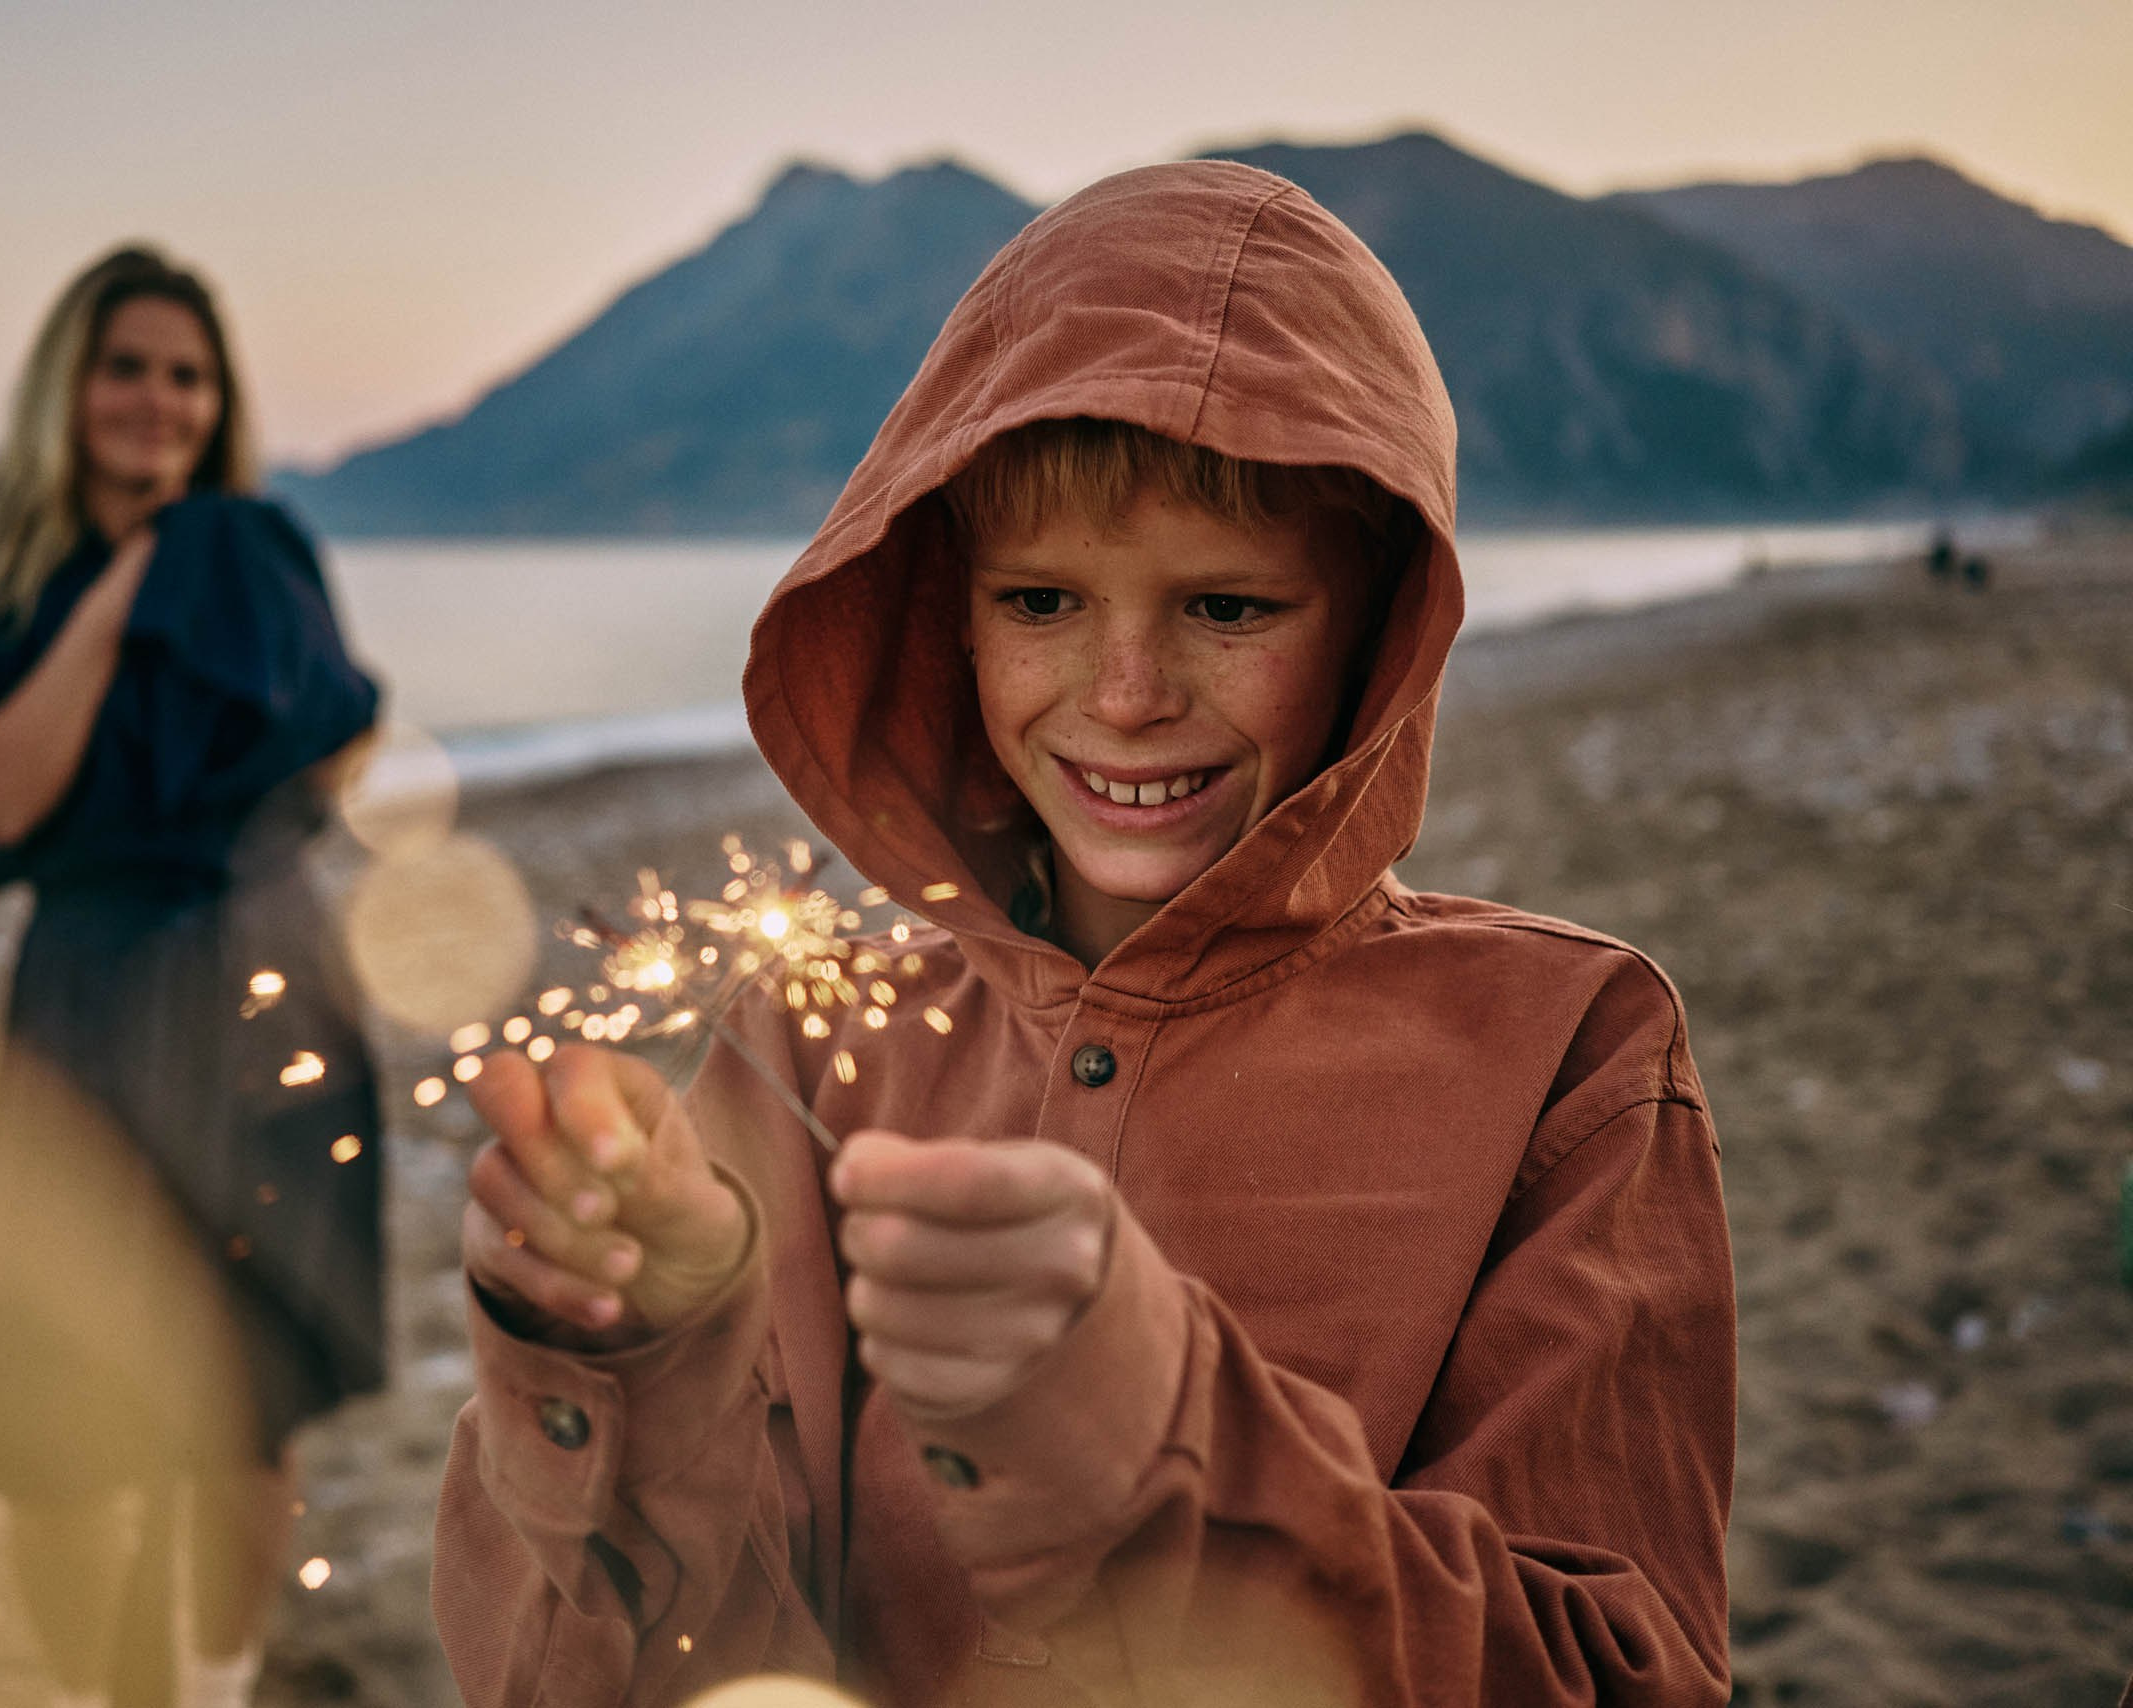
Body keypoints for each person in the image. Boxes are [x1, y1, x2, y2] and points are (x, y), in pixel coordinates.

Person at [431, 162, 1735, 1706]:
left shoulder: (1567, 1059)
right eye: (1043, 600)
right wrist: (633, 1364)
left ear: (1377, 622)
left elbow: (1618, 1672)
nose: (1125, 695)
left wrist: (1166, 1438)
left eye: (1229, 609)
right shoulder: (803, 1039)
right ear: (951, 616)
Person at [0, 245, 385, 1708]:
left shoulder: (264, 548)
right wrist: (122, 592)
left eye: (187, 373)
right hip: (90, 1005)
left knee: (247, 1413)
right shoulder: (4, 563)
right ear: (70, 387)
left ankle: (216, 1689)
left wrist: (192, 570)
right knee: (58, 1434)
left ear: (217, 397)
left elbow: (333, 741)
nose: (157, 401)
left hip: (268, 981)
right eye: (127, 368)